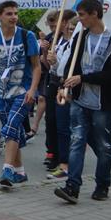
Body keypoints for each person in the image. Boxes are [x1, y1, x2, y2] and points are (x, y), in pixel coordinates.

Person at [54, 0, 111, 204]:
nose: (80, 19)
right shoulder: (81, 37)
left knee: (103, 145)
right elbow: (72, 65)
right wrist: (64, 86)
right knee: (77, 141)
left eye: (83, 15)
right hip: (80, 100)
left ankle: (102, 184)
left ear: (95, 14)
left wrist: (83, 78)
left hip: (103, 103)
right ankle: (72, 186)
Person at [0, 0, 41, 188]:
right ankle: (20, 172)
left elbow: (36, 66)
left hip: (23, 91)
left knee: (12, 126)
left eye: (15, 13)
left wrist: (33, 89)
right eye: (9, 14)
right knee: (14, 132)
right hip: (1, 93)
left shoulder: (27, 36)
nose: (14, 17)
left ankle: (7, 169)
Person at [42, 11, 76, 179]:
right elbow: (51, 66)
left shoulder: (75, 43)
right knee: (52, 120)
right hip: (54, 82)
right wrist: (48, 57)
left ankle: (67, 160)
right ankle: (57, 156)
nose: (68, 29)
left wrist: (56, 65)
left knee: (64, 125)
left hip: (67, 85)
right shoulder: (57, 40)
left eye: (72, 27)